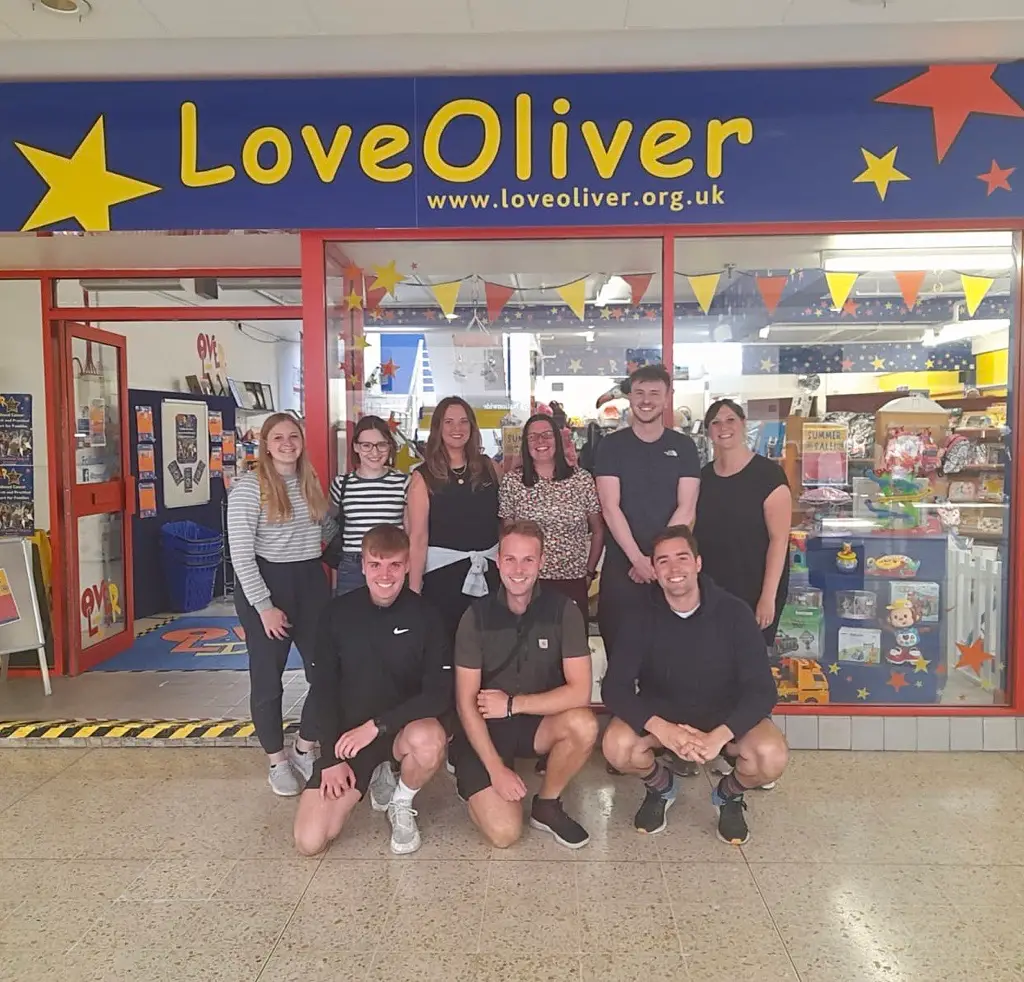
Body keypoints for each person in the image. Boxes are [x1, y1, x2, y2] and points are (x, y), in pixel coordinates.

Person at [601, 526, 788, 845]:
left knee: (771, 757)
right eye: (663, 561)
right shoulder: (638, 616)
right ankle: (661, 787)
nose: (674, 568)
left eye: (682, 558)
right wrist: (662, 729)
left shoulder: (734, 613)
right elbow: (614, 688)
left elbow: (763, 691)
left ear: (698, 563)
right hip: (663, 713)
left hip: (724, 716)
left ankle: (729, 795)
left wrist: (720, 736)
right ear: (654, 569)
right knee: (617, 747)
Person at [294, 525, 451, 856]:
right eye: (376, 564)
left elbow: (438, 693)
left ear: (407, 566)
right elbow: (323, 689)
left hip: (398, 732)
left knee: (430, 739)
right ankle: (377, 772)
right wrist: (330, 758)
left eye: (394, 565)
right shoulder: (336, 614)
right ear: (363, 565)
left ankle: (401, 801)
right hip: (350, 741)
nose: (385, 575)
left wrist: (377, 726)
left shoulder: (427, 616)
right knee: (310, 841)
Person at [452, 520, 597, 849]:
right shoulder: (475, 617)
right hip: (485, 729)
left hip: (536, 724)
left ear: (542, 561)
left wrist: (512, 705)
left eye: (528, 560)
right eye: (510, 559)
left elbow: (580, 692)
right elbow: (465, 703)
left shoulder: (564, 611)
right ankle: (474, 785)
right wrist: (495, 770)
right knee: (505, 833)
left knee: (584, 725)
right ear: (498, 561)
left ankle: (547, 805)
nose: (518, 570)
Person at [226, 413, 336, 797]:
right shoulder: (249, 488)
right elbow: (241, 555)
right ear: (266, 445)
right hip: (267, 584)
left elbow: (327, 529)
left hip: (310, 582)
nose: (287, 443)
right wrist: (264, 606)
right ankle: (277, 760)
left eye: (293, 436)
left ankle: (304, 747)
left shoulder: (310, 481)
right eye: (278, 438)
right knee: (267, 680)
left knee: (327, 671)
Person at [594, 364, 701, 652]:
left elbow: (686, 507)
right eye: (639, 392)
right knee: (620, 653)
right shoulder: (610, 446)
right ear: (629, 396)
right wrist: (637, 559)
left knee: (671, 654)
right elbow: (610, 507)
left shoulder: (684, 447)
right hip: (622, 569)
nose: (646, 400)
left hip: (669, 570)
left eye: (655, 393)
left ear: (667, 398)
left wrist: (655, 560)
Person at [694, 399, 792, 647]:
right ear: (708, 431)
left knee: (749, 659)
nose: (723, 427)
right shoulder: (702, 478)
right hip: (712, 590)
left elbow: (779, 541)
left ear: (743, 424)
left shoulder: (768, 476)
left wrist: (767, 597)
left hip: (754, 588)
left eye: (730, 420)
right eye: (715, 422)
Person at [407, 396, 500, 643]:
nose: (456, 428)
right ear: (438, 428)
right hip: (442, 581)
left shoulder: (491, 468)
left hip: (489, 576)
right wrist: (414, 593)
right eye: (448, 422)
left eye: (463, 421)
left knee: (489, 648)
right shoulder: (422, 477)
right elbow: (418, 538)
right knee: (445, 648)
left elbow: (504, 524)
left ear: (472, 427)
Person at [499, 412, 604, 619]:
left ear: (557, 439)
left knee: (571, 637)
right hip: (526, 582)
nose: (540, 441)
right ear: (525, 444)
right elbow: (506, 535)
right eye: (533, 437)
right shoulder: (512, 482)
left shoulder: (581, 480)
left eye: (547, 435)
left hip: (572, 580)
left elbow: (598, 530)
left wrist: (589, 572)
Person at [328, 415, 409, 596]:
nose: (375, 452)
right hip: (353, 564)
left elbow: (410, 530)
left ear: (390, 446)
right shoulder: (342, 484)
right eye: (366, 445)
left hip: (391, 562)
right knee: (350, 612)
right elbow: (330, 525)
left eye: (381, 445)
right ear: (356, 447)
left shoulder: (403, 483)